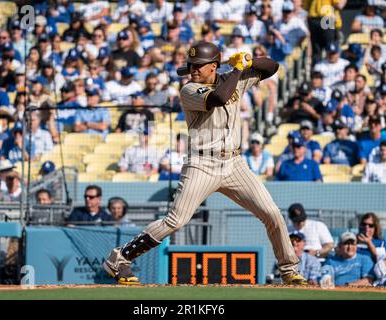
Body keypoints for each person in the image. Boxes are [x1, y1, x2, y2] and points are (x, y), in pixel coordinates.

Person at [103, 41, 307, 285]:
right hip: (202, 163)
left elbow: (273, 67)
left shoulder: (234, 77)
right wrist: (238, 71)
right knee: (175, 221)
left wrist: (248, 60)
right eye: (192, 65)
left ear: (213, 66)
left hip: (234, 163)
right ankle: (120, 258)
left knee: (272, 213)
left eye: (199, 65)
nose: (193, 69)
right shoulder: (189, 89)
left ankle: (289, 269)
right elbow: (220, 97)